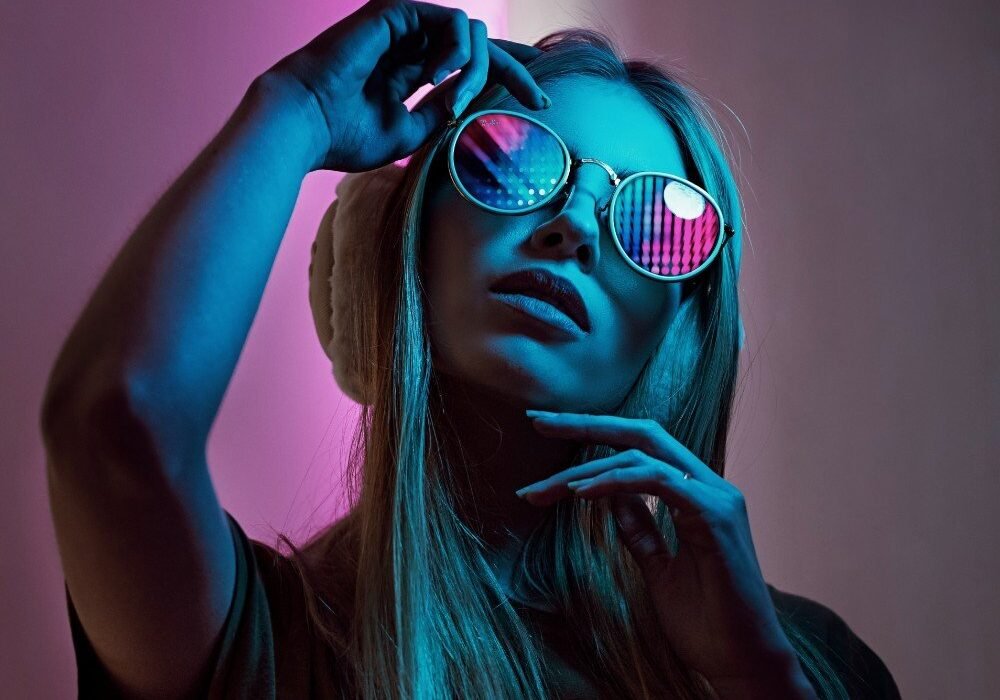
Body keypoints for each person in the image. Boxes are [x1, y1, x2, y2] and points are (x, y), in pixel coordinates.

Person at [40, 0, 901, 697]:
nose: (572, 227)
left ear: (677, 337)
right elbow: (115, 423)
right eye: (513, 162)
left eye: (651, 221)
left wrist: (755, 680)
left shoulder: (812, 665)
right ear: (400, 245)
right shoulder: (271, 644)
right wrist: (300, 107)